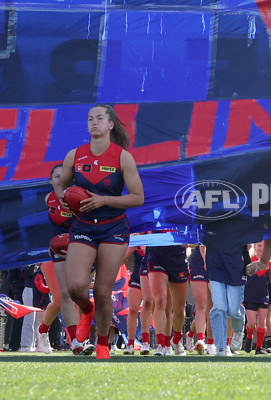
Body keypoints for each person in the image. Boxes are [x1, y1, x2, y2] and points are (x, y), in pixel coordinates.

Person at [53, 104, 144, 360]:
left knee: (104, 291)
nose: (94, 123)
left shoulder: (123, 157)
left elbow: (137, 198)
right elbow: (61, 185)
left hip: (113, 228)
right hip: (83, 227)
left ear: (110, 124)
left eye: (100, 118)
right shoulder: (75, 155)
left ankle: (103, 344)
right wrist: (63, 196)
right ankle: (87, 310)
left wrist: (104, 200)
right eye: (90, 119)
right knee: (76, 288)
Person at [38, 164, 80, 354]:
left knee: (77, 297)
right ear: (50, 181)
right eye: (56, 177)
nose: (60, 180)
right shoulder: (48, 199)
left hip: (78, 251)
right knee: (60, 298)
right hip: (51, 252)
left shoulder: (79, 198)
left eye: (64, 177)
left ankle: (78, 340)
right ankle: (43, 331)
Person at [146, 244, 189, 356]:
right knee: (160, 300)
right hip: (157, 257)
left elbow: (193, 241)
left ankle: (176, 340)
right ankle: (161, 345)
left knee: (179, 310)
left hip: (178, 259)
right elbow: (140, 231)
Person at [243, 242, 271, 354]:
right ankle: (249, 338)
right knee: (251, 324)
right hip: (250, 297)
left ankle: (259, 348)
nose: (262, 248)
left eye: (264, 246)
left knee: (262, 322)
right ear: (255, 247)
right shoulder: (249, 261)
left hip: (263, 296)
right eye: (259, 246)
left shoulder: (270, 263)